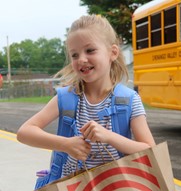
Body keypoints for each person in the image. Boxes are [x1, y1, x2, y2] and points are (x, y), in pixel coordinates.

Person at [17, 14, 155, 180]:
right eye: (74, 55)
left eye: (90, 50)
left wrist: (109, 136)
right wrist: (65, 144)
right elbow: (24, 132)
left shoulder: (129, 100)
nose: (81, 59)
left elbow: (150, 151)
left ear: (113, 53)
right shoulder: (66, 98)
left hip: (114, 185)